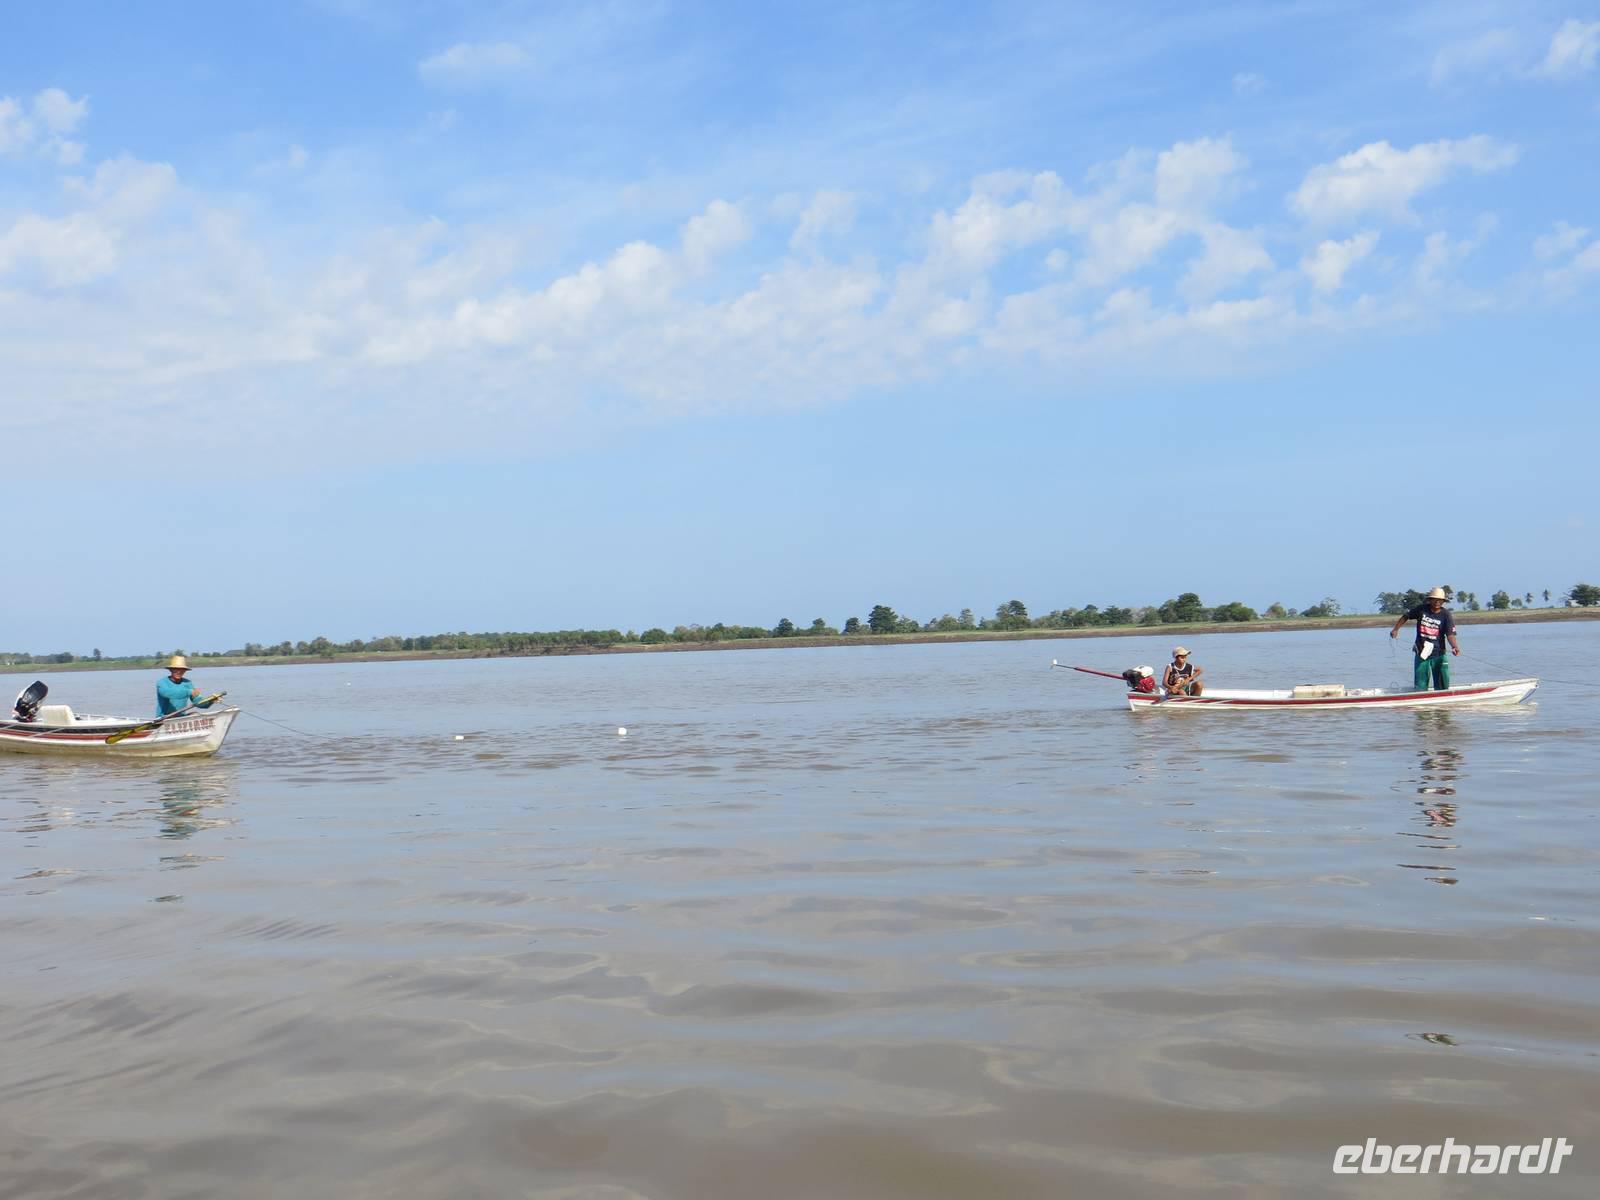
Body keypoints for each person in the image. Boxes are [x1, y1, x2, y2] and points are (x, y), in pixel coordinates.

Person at [1390, 587, 1459, 690]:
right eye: (1435, 599)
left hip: (1439, 653)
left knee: (1442, 684)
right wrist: (1395, 629)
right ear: (1430, 600)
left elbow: (1450, 634)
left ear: (1443, 602)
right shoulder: (1422, 610)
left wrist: (1454, 646)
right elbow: (1406, 616)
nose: (1437, 602)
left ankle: (1442, 696)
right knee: (1421, 684)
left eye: (1440, 600)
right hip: (1421, 652)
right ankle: (1420, 694)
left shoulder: (1446, 615)